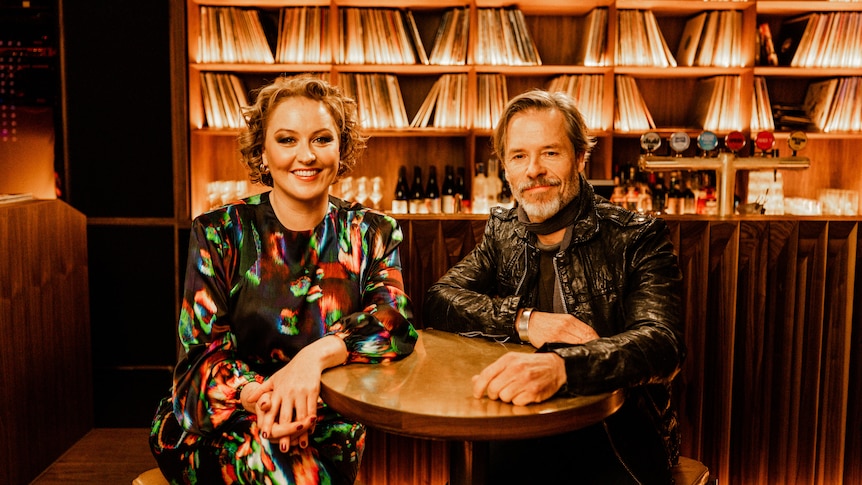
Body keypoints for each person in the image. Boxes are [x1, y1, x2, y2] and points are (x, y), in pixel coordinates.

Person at [150, 75, 418, 484]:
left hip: (326, 421)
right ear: (263, 151)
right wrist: (262, 397)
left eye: (322, 139)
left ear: (342, 148)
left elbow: (395, 325)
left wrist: (314, 357)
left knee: (298, 469)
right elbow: (200, 364)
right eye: (287, 140)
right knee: (290, 473)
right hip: (225, 416)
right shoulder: (220, 231)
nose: (306, 156)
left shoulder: (372, 231)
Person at [423, 89, 685, 484]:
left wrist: (562, 367)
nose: (533, 170)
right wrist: (527, 322)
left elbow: (663, 343)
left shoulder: (636, 236)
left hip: (616, 437)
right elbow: (439, 300)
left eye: (550, 152)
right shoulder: (504, 232)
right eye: (519, 156)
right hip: (518, 427)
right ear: (506, 169)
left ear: (580, 158)